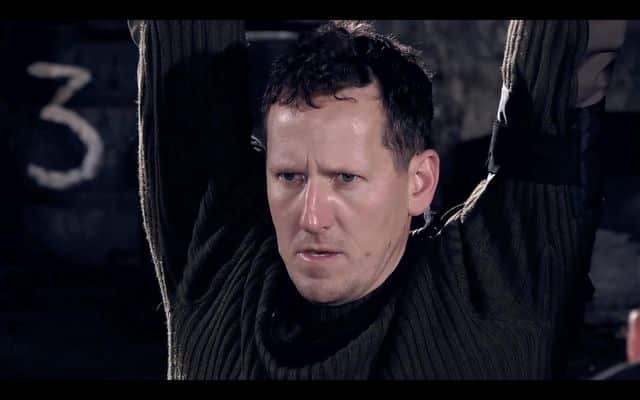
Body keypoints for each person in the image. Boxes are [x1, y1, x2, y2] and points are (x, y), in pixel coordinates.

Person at [128, 20, 626, 379]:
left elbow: (561, 60)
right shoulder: (221, 262)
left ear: (419, 181)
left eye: (345, 178)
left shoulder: (499, 289)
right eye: (289, 176)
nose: (312, 217)